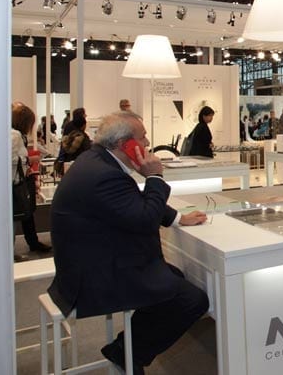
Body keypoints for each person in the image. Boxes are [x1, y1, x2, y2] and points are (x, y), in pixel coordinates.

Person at [48, 111, 208, 373]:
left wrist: (178, 218)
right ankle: (127, 352)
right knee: (192, 299)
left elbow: (128, 202)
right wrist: (155, 177)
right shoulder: (104, 174)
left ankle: (130, 345)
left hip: (91, 260)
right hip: (91, 277)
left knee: (174, 277)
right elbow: (144, 220)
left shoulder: (97, 161)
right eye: (142, 138)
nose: (147, 143)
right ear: (126, 144)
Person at [11, 103, 52, 259]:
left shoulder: (16, 135)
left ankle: (25, 245)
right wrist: (29, 160)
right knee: (18, 215)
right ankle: (10, 252)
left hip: (19, 180)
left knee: (23, 213)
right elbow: (10, 158)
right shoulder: (15, 135)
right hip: (15, 183)